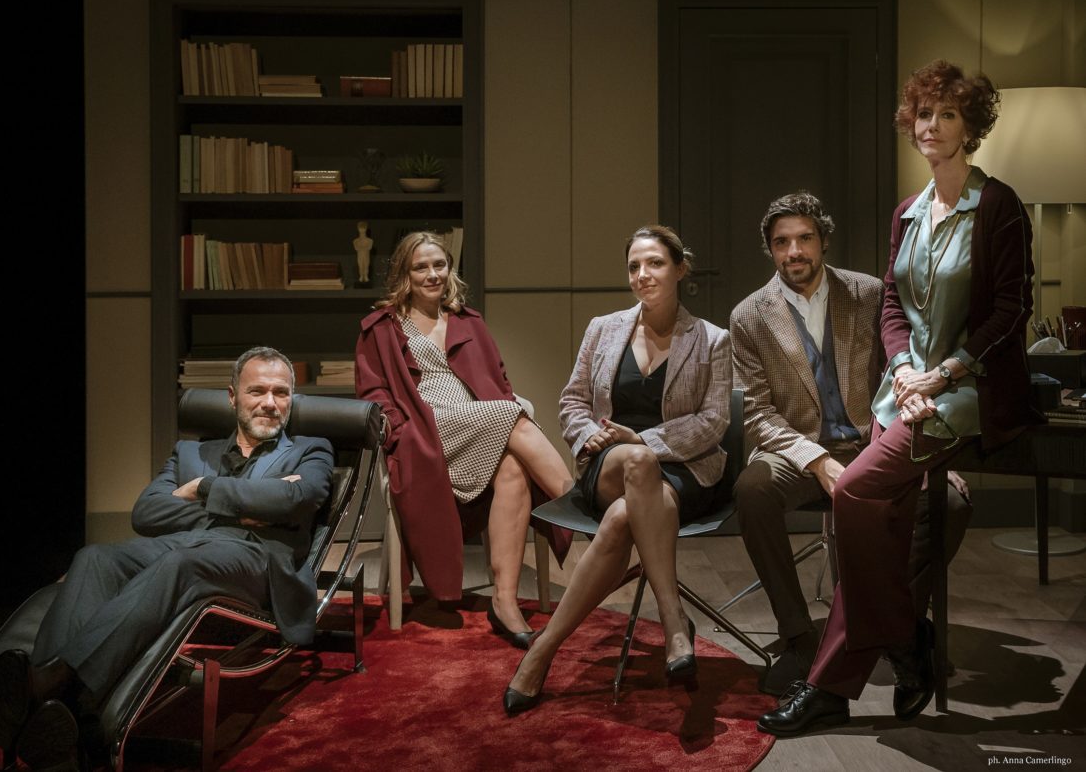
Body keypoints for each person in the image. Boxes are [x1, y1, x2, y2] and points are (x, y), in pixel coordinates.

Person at [758, 59, 1042, 737]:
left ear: (971, 128)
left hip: (967, 390)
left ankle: (865, 663)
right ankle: (896, 647)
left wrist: (943, 374)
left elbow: (1012, 309)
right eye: (923, 114)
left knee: (854, 492)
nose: (931, 126)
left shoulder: (997, 205)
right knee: (877, 519)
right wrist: (907, 370)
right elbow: (893, 304)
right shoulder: (908, 213)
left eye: (948, 115)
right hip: (909, 390)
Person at [0, 347, 335, 771]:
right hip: (188, 545)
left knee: (182, 563)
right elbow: (147, 513)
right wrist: (249, 504)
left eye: (281, 392)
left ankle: (45, 688)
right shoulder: (191, 453)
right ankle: (59, 710)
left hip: (257, 560)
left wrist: (203, 489)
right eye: (257, 391)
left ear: (292, 399)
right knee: (95, 557)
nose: (270, 403)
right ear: (232, 397)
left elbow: (297, 497)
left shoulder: (312, 449)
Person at [731, 191, 972, 696]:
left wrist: (926, 455)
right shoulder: (749, 316)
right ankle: (799, 637)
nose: (794, 251)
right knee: (752, 490)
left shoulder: (868, 294)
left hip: (873, 443)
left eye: (804, 238)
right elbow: (757, 414)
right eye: (781, 242)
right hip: (797, 452)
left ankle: (897, 623)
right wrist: (817, 461)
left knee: (949, 500)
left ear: (823, 240)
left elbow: (900, 374)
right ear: (770, 249)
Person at [503, 224, 731, 716]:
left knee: (625, 514)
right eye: (634, 266)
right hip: (608, 464)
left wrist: (644, 440)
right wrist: (590, 435)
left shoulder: (712, 340)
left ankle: (542, 651)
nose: (642, 274)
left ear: (680, 269)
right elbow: (572, 402)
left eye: (655, 263)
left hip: (684, 472)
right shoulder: (603, 328)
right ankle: (673, 620)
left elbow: (714, 421)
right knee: (636, 464)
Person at [354, 231, 574, 649]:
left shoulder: (467, 321)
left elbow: (499, 379)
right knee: (514, 414)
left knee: (514, 465)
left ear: (449, 269)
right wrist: (401, 430)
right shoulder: (381, 328)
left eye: (439, 265)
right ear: (405, 274)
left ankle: (504, 602)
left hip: (477, 427)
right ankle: (584, 511)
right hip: (424, 429)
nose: (432, 274)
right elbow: (373, 396)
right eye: (421, 267)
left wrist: (500, 402)